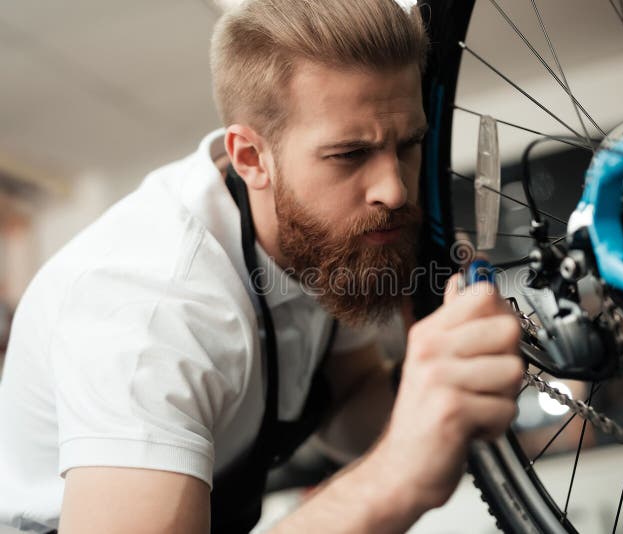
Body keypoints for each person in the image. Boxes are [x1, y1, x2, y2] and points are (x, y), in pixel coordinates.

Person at [0, 1, 523, 533]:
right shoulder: (151, 312)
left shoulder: (318, 238)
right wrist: (394, 477)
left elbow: (349, 400)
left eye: (409, 143)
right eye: (349, 155)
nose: (393, 189)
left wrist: (438, 389)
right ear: (250, 158)